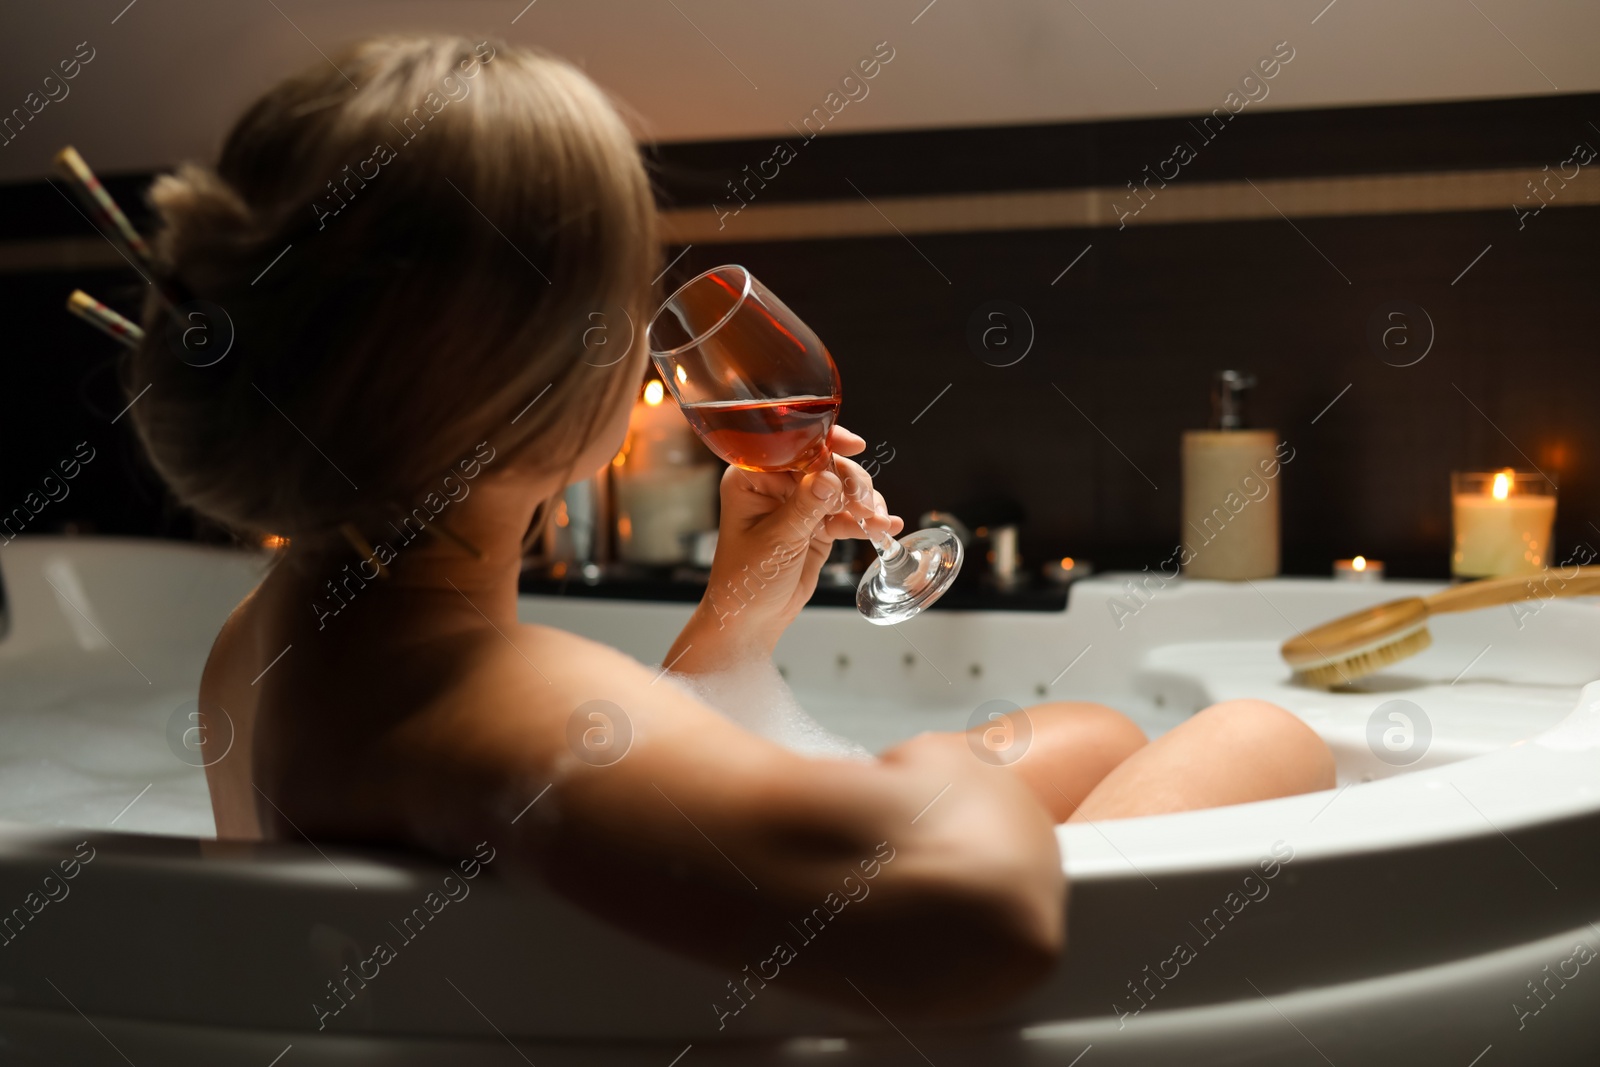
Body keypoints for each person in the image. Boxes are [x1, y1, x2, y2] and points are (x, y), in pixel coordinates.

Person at [127, 36, 1333, 1020]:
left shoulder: (272, 636)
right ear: (539, 383)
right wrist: (934, 769)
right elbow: (987, 916)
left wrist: (730, 635)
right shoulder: (499, 706)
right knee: (1258, 732)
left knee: (1091, 727)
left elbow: (559, 837)